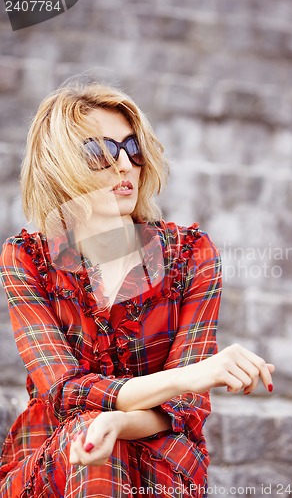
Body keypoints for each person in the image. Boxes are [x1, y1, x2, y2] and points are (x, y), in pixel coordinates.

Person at [0, 80, 275, 498]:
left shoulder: (191, 255)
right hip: (58, 459)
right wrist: (193, 375)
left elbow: (183, 407)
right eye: (100, 152)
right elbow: (65, 392)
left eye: (132, 149)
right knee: (87, 441)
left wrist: (117, 422)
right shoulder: (27, 260)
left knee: (98, 433)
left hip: (160, 456)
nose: (124, 165)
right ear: (57, 164)